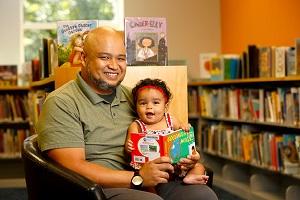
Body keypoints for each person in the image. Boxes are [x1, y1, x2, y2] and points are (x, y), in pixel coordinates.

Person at [36, 26, 218, 200]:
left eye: (121, 58)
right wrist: (136, 177)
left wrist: (185, 156)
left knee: (203, 196)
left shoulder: (136, 98)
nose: (114, 66)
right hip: (99, 189)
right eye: (105, 57)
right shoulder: (61, 102)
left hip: (152, 176)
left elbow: (167, 134)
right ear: (83, 58)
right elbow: (72, 167)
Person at [125, 78, 208, 185]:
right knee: (145, 182)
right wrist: (129, 147)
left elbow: (182, 133)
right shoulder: (136, 125)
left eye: (155, 102)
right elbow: (129, 149)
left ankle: (192, 177)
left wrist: (185, 127)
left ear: (165, 105)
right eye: (142, 103)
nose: (149, 107)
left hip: (175, 165)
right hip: (152, 169)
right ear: (136, 106)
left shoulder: (171, 120)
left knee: (199, 166)